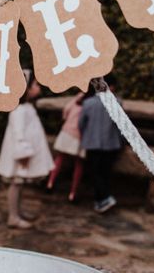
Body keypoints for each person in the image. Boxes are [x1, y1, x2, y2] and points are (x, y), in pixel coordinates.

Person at [0, 69, 54, 229]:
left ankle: (17, 212)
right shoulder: (19, 110)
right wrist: (23, 155)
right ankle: (13, 216)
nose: (38, 87)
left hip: (24, 155)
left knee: (19, 185)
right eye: (35, 84)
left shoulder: (26, 107)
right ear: (24, 88)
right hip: (20, 157)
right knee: (16, 184)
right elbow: (18, 134)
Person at [78, 77, 122, 214]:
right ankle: (102, 200)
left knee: (95, 173)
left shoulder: (88, 103)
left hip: (92, 143)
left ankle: (103, 198)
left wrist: (85, 135)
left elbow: (81, 124)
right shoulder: (117, 103)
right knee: (106, 173)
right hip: (111, 144)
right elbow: (121, 125)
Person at [46, 91, 86, 202]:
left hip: (67, 132)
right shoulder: (92, 100)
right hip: (80, 136)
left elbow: (66, 109)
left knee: (60, 158)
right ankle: (72, 193)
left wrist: (66, 119)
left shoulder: (78, 97)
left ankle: (50, 182)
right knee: (79, 164)